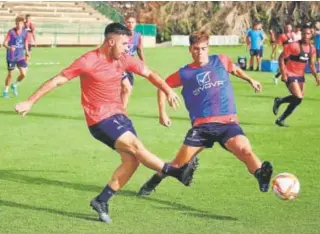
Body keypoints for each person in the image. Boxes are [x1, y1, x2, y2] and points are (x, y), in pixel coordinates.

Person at [15, 23, 197, 223]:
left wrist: (169, 90)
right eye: (124, 43)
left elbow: (149, 74)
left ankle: (101, 200)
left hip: (119, 116)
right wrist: (30, 101)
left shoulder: (123, 59)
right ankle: (176, 172)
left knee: (132, 161)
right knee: (137, 147)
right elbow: (58, 80)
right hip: (99, 120)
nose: (128, 48)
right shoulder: (88, 61)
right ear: (111, 42)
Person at [138, 30, 273, 197]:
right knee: (178, 164)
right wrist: (162, 113)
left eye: (203, 48)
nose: (200, 52)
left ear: (208, 48)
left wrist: (250, 79)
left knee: (244, 150)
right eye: (196, 48)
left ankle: (261, 175)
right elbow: (162, 86)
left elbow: (235, 69)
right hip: (202, 127)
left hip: (227, 123)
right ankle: (153, 182)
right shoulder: (185, 73)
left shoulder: (221, 60)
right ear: (190, 49)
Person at [273, 24, 320, 127]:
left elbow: (311, 65)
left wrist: (316, 77)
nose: (306, 36)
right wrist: (283, 73)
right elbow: (281, 58)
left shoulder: (312, 49)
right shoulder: (293, 45)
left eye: (308, 34)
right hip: (290, 73)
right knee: (298, 97)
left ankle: (281, 117)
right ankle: (279, 102)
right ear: (301, 34)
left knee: (299, 99)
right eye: (304, 34)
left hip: (300, 76)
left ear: (311, 35)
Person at [121, 15, 145, 109]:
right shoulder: (120, 35)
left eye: (132, 22)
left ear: (136, 24)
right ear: (125, 23)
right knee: (125, 87)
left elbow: (139, 50)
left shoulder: (137, 36)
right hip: (119, 64)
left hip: (129, 65)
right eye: (128, 22)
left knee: (128, 88)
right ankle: (121, 111)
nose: (130, 24)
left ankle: (121, 110)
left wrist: (143, 63)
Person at [2, 16, 30, 98]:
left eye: (20, 23)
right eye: (17, 23)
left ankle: (14, 85)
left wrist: (27, 51)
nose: (18, 25)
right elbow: (4, 44)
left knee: (23, 74)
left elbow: (25, 42)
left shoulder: (25, 32)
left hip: (20, 56)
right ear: (15, 23)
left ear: (23, 24)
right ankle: (6, 90)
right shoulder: (11, 32)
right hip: (11, 56)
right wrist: (10, 48)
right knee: (10, 74)